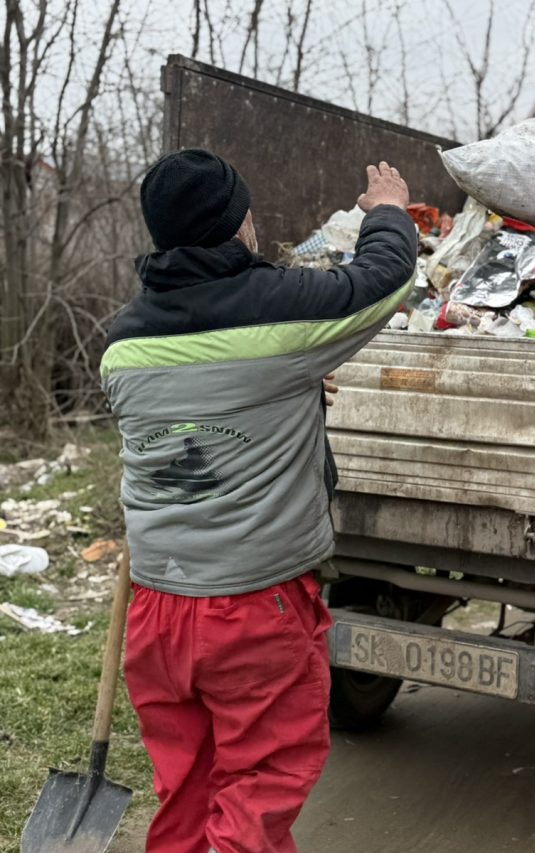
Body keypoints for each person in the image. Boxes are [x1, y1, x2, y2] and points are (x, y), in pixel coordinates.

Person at [100, 149, 416, 853]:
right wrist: (388, 209)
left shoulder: (121, 343)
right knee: (259, 787)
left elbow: (202, 408)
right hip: (252, 609)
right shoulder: (278, 311)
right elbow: (384, 278)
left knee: (186, 787)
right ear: (237, 221)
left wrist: (290, 385)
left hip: (157, 608)